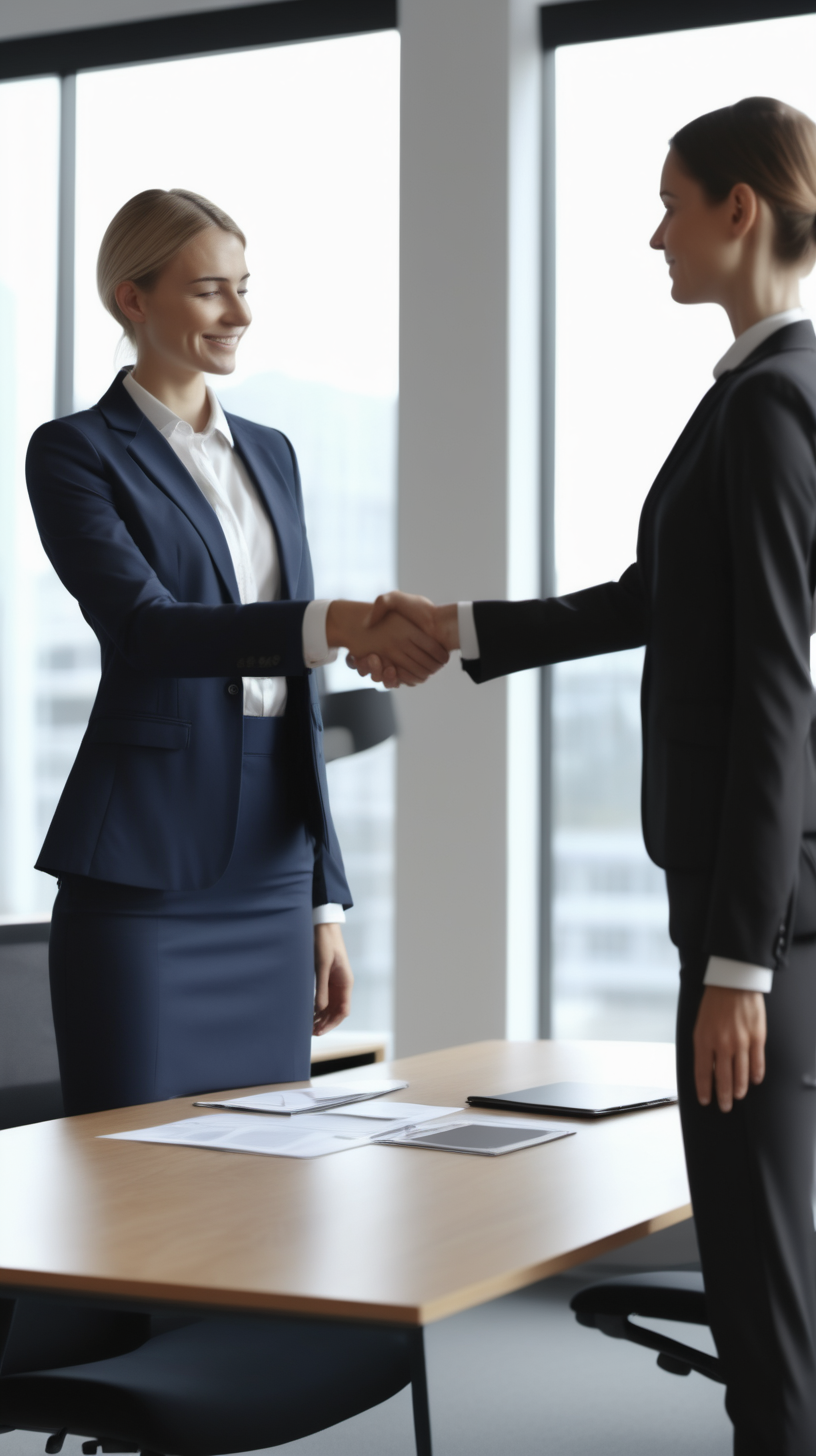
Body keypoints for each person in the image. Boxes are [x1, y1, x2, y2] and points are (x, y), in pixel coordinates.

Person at [354, 98, 816, 1454]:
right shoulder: (758, 392)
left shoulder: (772, 405)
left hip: (755, 920)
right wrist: (469, 630)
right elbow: (658, 596)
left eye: (672, 201)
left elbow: (776, 685)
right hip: (757, 906)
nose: (653, 232)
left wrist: (738, 965)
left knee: (759, 1277)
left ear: (742, 211)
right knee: (760, 1263)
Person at [27, 188, 447, 1117]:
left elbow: (299, 698)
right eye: (211, 291)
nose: (240, 315)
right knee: (131, 1176)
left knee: (269, 1182)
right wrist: (333, 621)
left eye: (245, 288)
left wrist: (323, 902)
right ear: (132, 300)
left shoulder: (274, 452)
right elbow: (147, 629)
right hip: (145, 864)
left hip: (275, 861)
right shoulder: (74, 453)